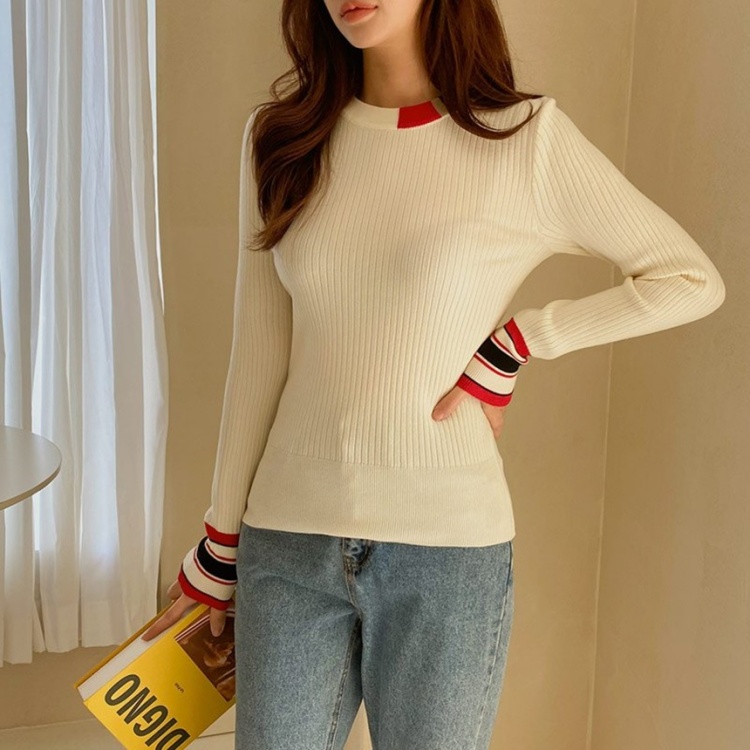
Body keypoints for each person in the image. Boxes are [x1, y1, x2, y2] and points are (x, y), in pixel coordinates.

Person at [141, 0, 726, 748]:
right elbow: (258, 355)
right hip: (286, 544)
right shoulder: (281, 139)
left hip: (446, 555)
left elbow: (688, 279)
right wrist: (220, 541)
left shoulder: (526, 140)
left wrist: (519, 342)